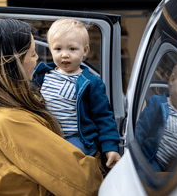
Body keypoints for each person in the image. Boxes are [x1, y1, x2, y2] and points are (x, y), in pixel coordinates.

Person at [0, 18, 103, 196]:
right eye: (33, 54)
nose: (37, 60)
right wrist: (103, 168)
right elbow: (81, 182)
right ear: (15, 60)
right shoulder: (11, 119)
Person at [32, 18, 121, 169]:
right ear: (51, 49)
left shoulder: (91, 82)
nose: (64, 55)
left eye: (72, 49)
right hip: (48, 135)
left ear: (85, 51)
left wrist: (110, 147)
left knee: (68, 158)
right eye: (58, 49)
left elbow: (104, 117)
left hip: (77, 138)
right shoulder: (43, 76)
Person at [135, 59, 177, 172]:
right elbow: (141, 132)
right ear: (172, 80)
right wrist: (134, 158)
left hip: (171, 172)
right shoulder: (157, 103)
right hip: (151, 162)